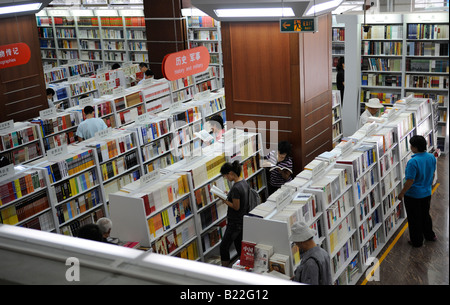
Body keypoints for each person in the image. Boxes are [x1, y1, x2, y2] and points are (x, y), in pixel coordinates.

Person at [398, 135, 437, 248]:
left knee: (414, 218)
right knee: (425, 215)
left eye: (411, 145)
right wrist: (428, 186)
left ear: (415, 147)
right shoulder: (431, 157)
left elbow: (410, 180)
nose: (410, 147)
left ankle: (417, 241)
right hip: (426, 193)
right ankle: (430, 235)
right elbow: (433, 173)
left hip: (413, 195)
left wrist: (402, 193)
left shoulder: (413, 162)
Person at [219, 161, 249, 267]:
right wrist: (229, 195)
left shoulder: (236, 187)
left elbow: (236, 207)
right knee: (239, 246)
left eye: (226, 176)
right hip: (242, 221)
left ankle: (225, 271)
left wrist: (224, 200)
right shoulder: (244, 182)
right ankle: (243, 267)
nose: (226, 178)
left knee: (223, 247)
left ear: (230, 173)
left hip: (235, 222)